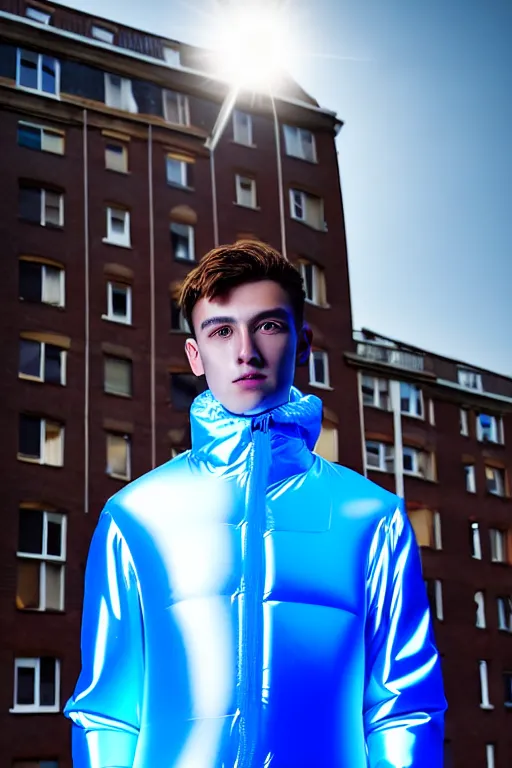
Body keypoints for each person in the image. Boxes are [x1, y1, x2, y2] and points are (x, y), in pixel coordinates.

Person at [65, 241, 446, 768]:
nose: (245, 350)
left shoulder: (372, 518)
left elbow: (405, 709)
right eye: (221, 331)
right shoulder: (135, 516)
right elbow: (107, 714)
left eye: (268, 325)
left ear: (303, 342)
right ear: (195, 356)